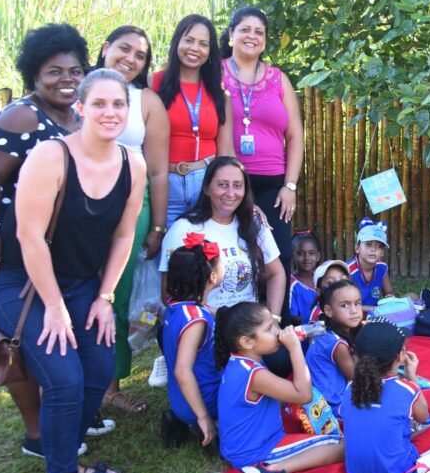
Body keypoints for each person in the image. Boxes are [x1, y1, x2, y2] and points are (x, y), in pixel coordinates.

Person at [0, 69, 146, 473]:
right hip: (22, 282)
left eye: (118, 104)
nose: (110, 112)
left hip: (81, 284)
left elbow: (122, 236)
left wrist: (104, 297)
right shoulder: (50, 155)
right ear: (80, 108)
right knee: (63, 377)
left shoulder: (132, 164)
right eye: (98, 104)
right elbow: (30, 237)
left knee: (96, 370)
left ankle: (63, 458)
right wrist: (55, 308)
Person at [0, 24, 86, 459]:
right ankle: (36, 435)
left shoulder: (79, 116)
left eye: (75, 70)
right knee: (22, 340)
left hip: (60, 250)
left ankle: (49, 428)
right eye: (54, 71)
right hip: (18, 245)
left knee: (51, 339)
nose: (66, 79)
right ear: (34, 76)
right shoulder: (23, 116)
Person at [96, 25, 171, 414]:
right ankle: (68, 380)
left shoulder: (147, 102)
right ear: (105, 48)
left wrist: (157, 226)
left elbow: (159, 171)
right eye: (124, 49)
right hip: (79, 208)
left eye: (140, 55)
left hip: (132, 208)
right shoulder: (83, 92)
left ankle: (110, 385)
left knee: (118, 296)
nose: (131, 59)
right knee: (75, 291)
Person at [214, 301, 344, 473]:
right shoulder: (254, 374)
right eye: (268, 329)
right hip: (254, 452)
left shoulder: (240, 362)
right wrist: (294, 348)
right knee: (343, 445)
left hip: (239, 446)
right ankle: (270, 472)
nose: (278, 332)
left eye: (275, 324)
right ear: (246, 342)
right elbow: (304, 394)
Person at [220, 7, 303, 258]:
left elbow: (295, 135)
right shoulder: (214, 72)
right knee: (235, 257)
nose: (252, 36)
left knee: (278, 256)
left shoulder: (278, 78)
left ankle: (274, 301)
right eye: (245, 29)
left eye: (259, 32)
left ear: (265, 40)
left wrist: (290, 186)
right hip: (228, 183)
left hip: (273, 185)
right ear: (231, 34)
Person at [160, 156, 286, 314]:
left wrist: (273, 319)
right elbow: (169, 294)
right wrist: (223, 317)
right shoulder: (183, 229)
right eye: (223, 185)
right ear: (206, 188)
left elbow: (276, 273)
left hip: (247, 330)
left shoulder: (254, 222)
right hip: (202, 329)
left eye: (238, 186)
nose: (231, 193)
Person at [343, 320, 430, 473]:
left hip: (356, 471)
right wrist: (412, 376)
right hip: (397, 471)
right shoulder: (406, 389)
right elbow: (424, 418)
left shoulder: (350, 387)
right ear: (400, 357)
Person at [152, 15, 233, 225]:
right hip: (164, 185)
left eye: (203, 44)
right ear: (177, 41)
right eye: (189, 40)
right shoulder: (153, 84)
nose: (194, 48)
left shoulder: (219, 94)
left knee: (204, 254)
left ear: (209, 52)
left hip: (205, 184)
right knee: (161, 252)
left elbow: (225, 152)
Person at [160, 236, 222, 448]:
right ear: (213, 276)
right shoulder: (195, 320)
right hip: (203, 403)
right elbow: (182, 371)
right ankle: (207, 425)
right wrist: (203, 416)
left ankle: (183, 420)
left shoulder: (176, 307)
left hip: (179, 400)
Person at [306, 279, 363, 417]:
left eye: (358, 303)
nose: (354, 311)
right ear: (328, 311)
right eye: (345, 305)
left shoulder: (324, 331)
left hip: (316, 403)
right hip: (331, 409)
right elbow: (358, 378)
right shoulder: (337, 344)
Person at [348, 217, 396, 312]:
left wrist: (390, 296)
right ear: (357, 248)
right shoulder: (348, 270)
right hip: (352, 316)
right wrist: (372, 309)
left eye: (379, 246)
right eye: (369, 244)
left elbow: (389, 292)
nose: (373, 249)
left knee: (412, 297)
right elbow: (345, 305)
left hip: (374, 314)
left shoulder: (382, 268)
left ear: (382, 252)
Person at [287, 231, 322, 321]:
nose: (307, 258)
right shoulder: (291, 285)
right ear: (292, 256)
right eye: (300, 253)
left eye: (311, 253)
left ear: (318, 256)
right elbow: (292, 319)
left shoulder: (322, 280)